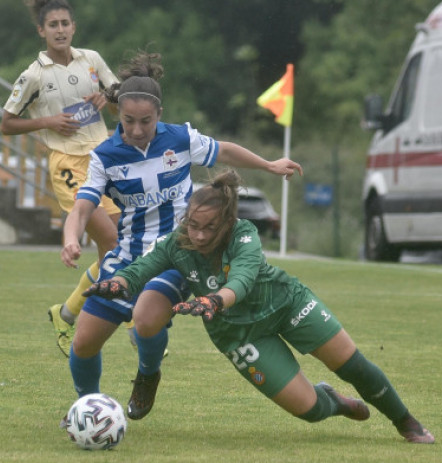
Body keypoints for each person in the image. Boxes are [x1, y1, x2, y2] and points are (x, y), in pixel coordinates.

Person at [85, 169, 435, 444]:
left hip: (284, 303)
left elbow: (243, 278)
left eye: (209, 227)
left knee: (351, 364)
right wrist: (119, 283)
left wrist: (215, 299)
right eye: (193, 225)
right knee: (309, 410)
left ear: (227, 222)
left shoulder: (244, 234)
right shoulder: (178, 242)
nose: (200, 235)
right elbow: (142, 268)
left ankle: (406, 421)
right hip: (237, 334)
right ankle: (334, 401)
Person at [60, 50, 303, 421]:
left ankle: (147, 373)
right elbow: (83, 205)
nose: (138, 129)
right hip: (127, 257)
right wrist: (72, 237)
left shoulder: (180, 138)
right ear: (118, 115)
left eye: (146, 121)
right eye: (129, 121)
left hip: (177, 255)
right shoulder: (105, 156)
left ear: (159, 114)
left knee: (145, 319)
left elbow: (225, 151)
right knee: (84, 343)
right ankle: (87, 408)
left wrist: (269, 165)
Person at [1, 0, 125, 357]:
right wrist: (47, 122)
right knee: (115, 245)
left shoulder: (92, 60)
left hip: (105, 161)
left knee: (119, 249)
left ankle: (65, 313)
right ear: (41, 31)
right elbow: (7, 123)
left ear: (74, 27)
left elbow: (122, 102)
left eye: (64, 23)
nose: (59, 29)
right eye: (52, 24)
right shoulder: (33, 76)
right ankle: (133, 324)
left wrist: (107, 96)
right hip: (67, 166)